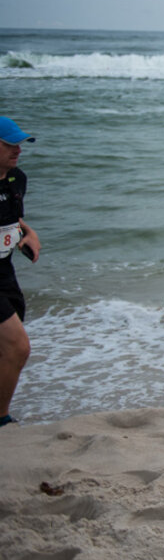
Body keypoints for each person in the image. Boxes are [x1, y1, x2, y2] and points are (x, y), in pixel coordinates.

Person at [0, 117, 40, 428]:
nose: (18, 150)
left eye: (20, 144)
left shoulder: (17, 179)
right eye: (9, 145)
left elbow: (15, 219)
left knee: (7, 348)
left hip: (5, 271)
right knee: (18, 345)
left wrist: (29, 234)